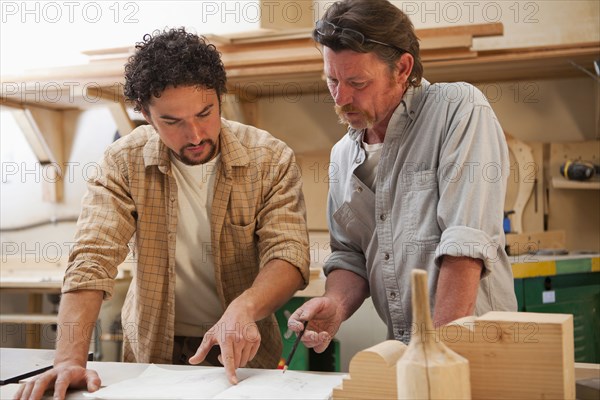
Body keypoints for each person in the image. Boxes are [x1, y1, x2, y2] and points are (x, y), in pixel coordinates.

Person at [16, 28, 310, 400]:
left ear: (220, 97)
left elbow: (288, 253)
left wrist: (245, 307)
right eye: (173, 122)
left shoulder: (270, 158)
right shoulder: (123, 162)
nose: (196, 134)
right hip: (152, 351)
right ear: (145, 113)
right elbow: (92, 256)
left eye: (205, 113)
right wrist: (68, 359)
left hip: (245, 352)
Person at [288, 0, 517, 353]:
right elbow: (350, 256)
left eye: (357, 82)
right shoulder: (342, 156)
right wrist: (334, 304)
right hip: (409, 355)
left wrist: (433, 354)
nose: (341, 97)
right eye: (332, 79)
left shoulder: (458, 110)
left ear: (402, 68)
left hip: (476, 350)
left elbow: (464, 246)